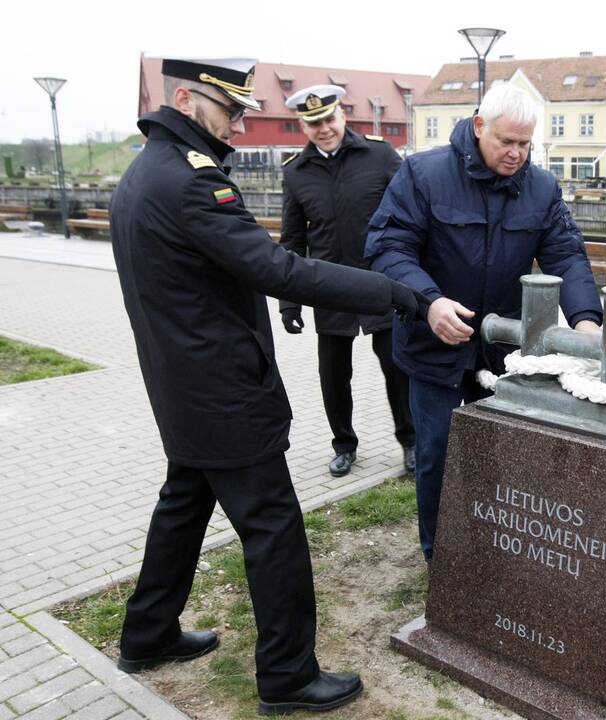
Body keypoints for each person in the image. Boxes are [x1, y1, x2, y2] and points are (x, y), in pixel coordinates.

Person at [110, 57, 424, 716]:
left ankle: (147, 632)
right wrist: (391, 291)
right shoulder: (195, 183)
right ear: (192, 100)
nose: (240, 123)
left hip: (181, 388)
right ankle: (287, 675)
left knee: (183, 507)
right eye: (231, 110)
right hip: (224, 393)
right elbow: (277, 267)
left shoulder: (144, 171)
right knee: (274, 530)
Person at [365, 83, 603, 564]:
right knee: (436, 453)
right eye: (506, 142)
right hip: (433, 343)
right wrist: (429, 303)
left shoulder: (541, 187)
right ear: (479, 127)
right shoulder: (423, 174)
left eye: (525, 143)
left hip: (503, 351)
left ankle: (495, 549)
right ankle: (442, 557)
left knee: (502, 452)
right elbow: (388, 248)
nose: (517, 154)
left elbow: (566, 255)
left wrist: (586, 320)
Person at [278, 84, 416, 478]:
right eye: (313, 123)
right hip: (329, 288)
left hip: (381, 282)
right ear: (303, 126)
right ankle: (344, 445)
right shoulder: (296, 172)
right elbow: (292, 242)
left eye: (328, 119)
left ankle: (411, 441)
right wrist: (290, 303)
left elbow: (409, 217)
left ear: (342, 116)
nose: (323, 128)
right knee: (333, 375)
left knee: (397, 367)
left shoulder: (379, 156)